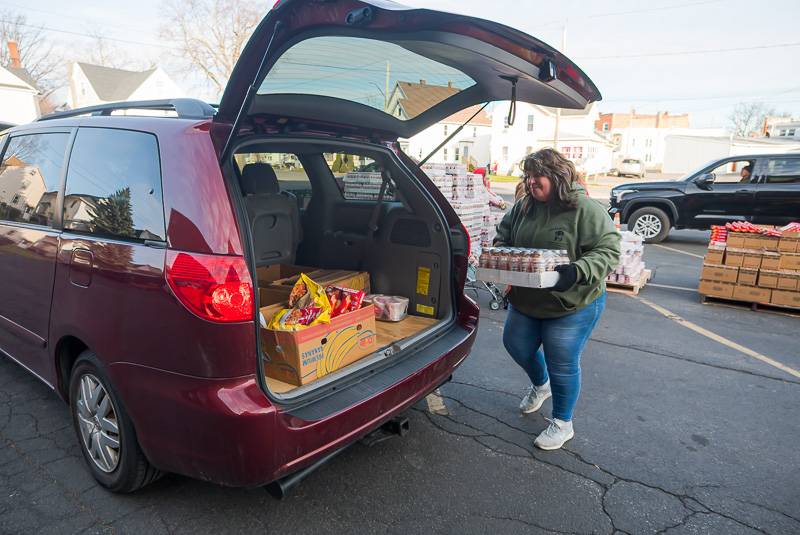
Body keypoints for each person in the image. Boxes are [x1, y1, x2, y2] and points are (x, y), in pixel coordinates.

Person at [494, 148, 620, 450]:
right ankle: (541, 385)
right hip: (528, 299)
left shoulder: (585, 209)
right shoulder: (523, 206)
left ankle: (563, 422)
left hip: (572, 301)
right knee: (516, 344)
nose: (531, 182)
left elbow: (609, 250)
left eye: (538, 176)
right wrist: (503, 258)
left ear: (557, 176)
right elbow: (504, 236)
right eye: (528, 176)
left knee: (561, 359)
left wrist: (577, 271)